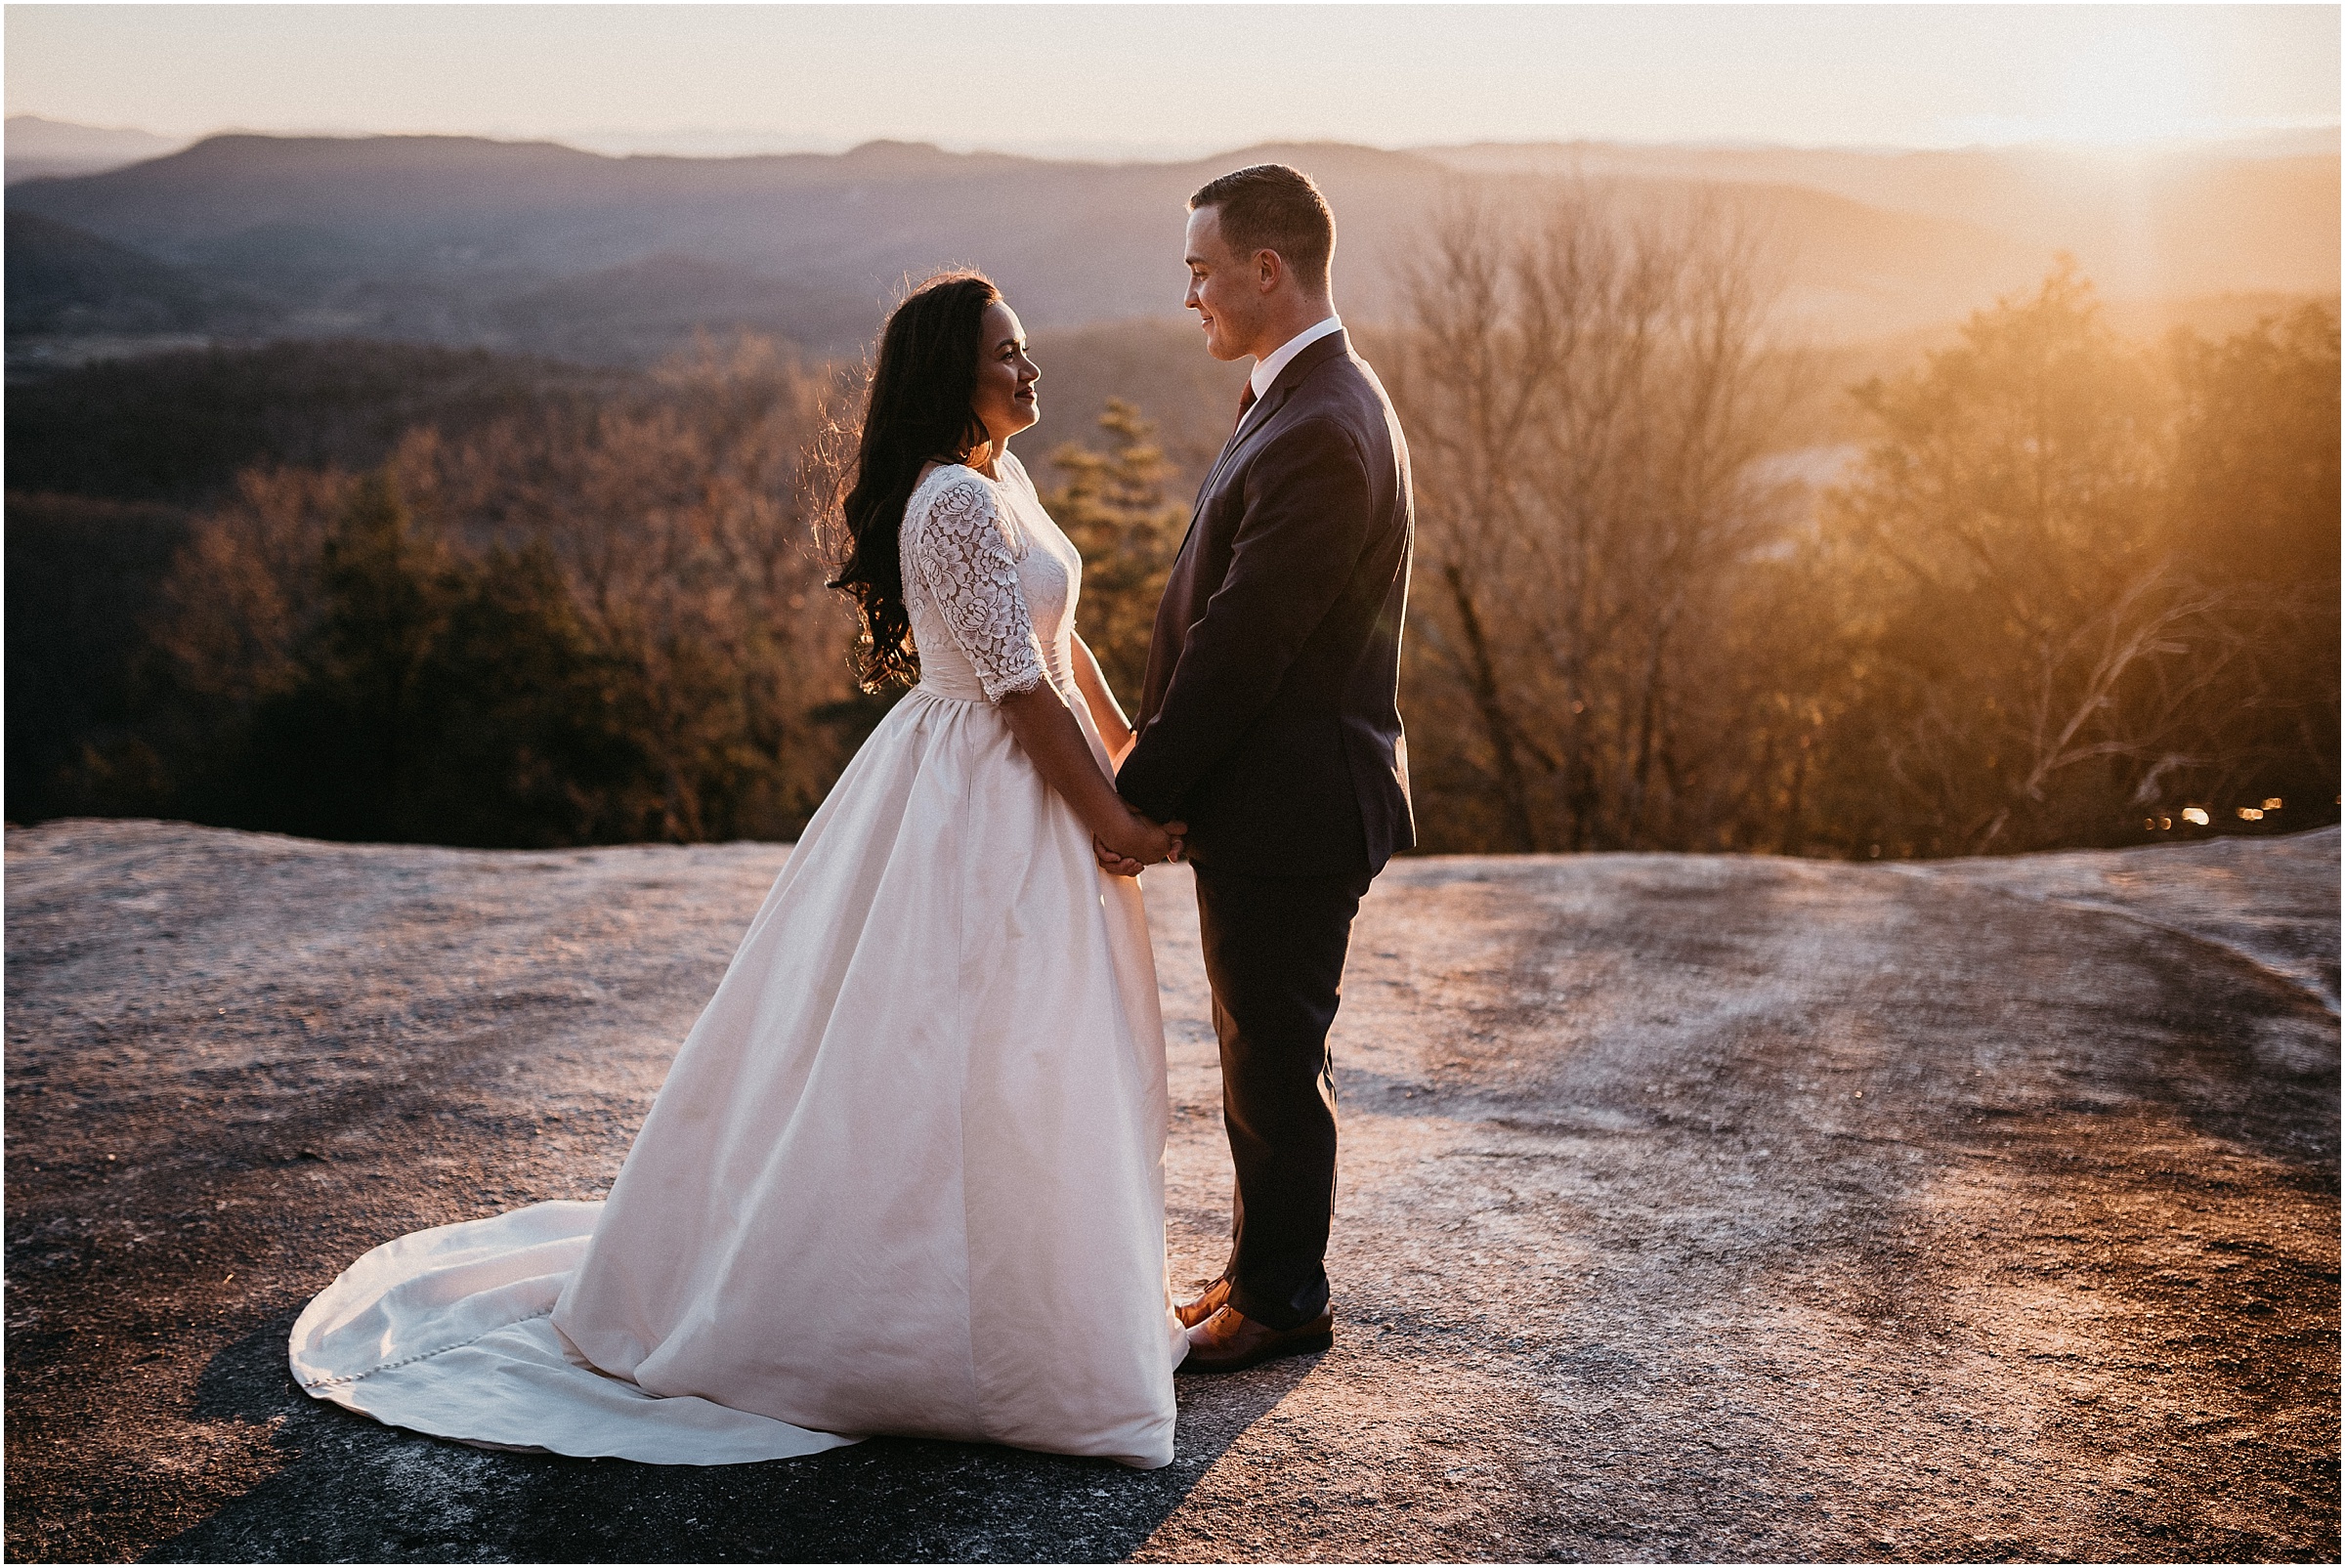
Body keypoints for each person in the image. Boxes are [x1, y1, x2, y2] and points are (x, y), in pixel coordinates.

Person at [289, 273, 1191, 1469]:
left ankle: (1056, 1301)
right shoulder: (951, 508)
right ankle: (924, 1333)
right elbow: (1017, 690)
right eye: (1005, 356)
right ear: (947, 376)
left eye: (1027, 348)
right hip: (972, 795)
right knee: (938, 1049)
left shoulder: (1001, 480)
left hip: (1025, 779)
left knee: (1036, 1055)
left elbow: (1066, 653)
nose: (1031, 372)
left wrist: (1139, 764)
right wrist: (1114, 825)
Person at [1107, 164, 1415, 1375]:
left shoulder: (1328, 423)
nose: (1191, 293)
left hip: (1293, 804)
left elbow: (1246, 643)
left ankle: (1284, 1297)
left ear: (1267, 269)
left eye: (1202, 269)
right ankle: (1257, 1268)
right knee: (1262, 1043)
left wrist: (1140, 794)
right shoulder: (1303, 396)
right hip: (1275, 799)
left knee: (1276, 1052)